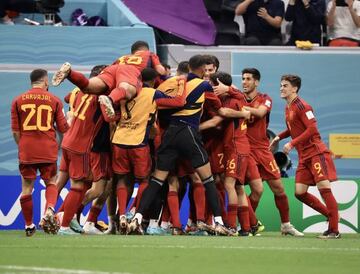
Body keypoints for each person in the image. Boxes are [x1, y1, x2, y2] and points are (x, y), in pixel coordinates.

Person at [127, 55, 234, 236]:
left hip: (169, 134)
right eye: (206, 70)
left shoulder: (174, 82)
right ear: (201, 70)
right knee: (207, 180)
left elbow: (158, 99)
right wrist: (230, 89)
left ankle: (136, 218)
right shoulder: (204, 85)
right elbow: (223, 101)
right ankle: (218, 222)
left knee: (157, 180)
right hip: (188, 132)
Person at [213, 68, 303, 236]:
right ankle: (247, 224)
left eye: (248, 79)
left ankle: (285, 224)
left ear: (256, 82)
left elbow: (261, 112)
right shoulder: (236, 97)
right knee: (251, 189)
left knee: (278, 188)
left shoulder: (264, 99)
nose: (245, 82)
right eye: (243, 79)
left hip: (262, 149)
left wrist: (242, 107)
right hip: (244, 149)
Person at [270, 74, 340, 239]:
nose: (281, 88)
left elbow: (312, 129)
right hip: (304, 156)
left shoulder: (303, 106)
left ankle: (334, 229)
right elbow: (293, 128)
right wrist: (279, 137)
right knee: (300, 192)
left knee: (324, 189)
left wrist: (292, 143)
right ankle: (331, 215)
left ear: (294, 88)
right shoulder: (288, 108)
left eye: (285, 85)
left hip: (316, 153)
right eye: (281, 85)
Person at [10, 69, 69, 236]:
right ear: (45, 82)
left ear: (31, 82)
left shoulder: (17, 100)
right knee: (51, 182)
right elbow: (63, 129)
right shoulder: (55, 100)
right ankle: (49, 209)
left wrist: (23, 146)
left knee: (26, 188)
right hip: (47, 149)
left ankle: (29, 225)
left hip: (27, 150)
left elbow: (15, 132)